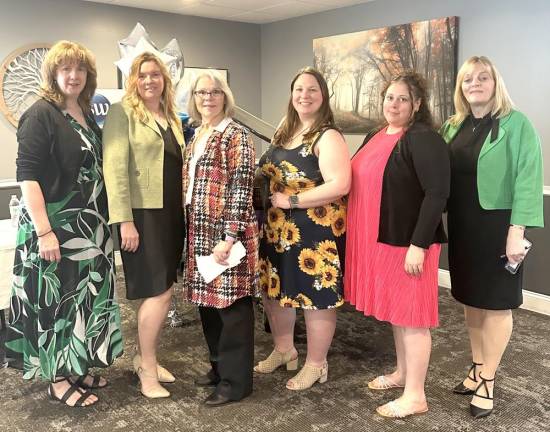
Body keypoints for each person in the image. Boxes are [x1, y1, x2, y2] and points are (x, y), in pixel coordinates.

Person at [5, 40, 123, 407]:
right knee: (58, 301)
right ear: (53, 73)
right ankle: (58, 379)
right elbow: (28, 177)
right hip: (56, 227)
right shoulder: (40, 114)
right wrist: (43, 231)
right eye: (65, 69)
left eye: (80, 69)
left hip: (90, 227)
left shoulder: (85, 113)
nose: (73, 76)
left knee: (85, 300)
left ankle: (77, 364)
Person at [440, 56, 544, 418]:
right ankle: (476, 364)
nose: (475, 83)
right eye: (468, 79)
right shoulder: (453, 126)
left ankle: (488, 380)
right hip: (464, 226)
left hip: (499, 227)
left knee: (497, 302)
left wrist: (518, 232)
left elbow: (528, 180)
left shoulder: (517, 124)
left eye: (483, 77)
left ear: (495, 83)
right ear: (461, 87)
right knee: (471, 300)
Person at [344, 71, 450, 418]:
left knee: (413, 316)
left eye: (403, 98)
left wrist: (418, 244)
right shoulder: (377, 134)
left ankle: (416, 395)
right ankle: (403, 374)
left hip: (408, 242)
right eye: (390, 97)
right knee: (397, 314)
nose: (394, 104)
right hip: (380, 240)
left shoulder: (423, 138)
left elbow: (437, 195)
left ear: (417, 104)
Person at [255, 67, 351, 391]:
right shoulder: (286, 130)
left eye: (312, 90)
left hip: (315, 230)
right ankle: (284, 350)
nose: (304, 95)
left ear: (323, 96)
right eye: (299, 89)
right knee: (276, 291)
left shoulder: (328, 136)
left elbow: (340, 184)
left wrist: (293, 200)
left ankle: (315, 363)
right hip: (279, 227)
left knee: (315, 298)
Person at [103, 52, 185, 399]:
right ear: (132, 80)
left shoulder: (169, 116)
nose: (149, 80)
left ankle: (144, 356)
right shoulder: (122, 113)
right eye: (142, 75)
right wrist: (125, 221)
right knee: (159, 292)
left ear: (164, 79)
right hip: (142, 216)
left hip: (171, 214)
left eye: (155, 74)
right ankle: (146, 368)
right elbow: (115, 169)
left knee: (159, 289)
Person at [183, 71, 258, 407]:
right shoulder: (199, 134)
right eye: (202, 93)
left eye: (215, 92)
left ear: (225, 96)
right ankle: (218, 369)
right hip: (199, 234)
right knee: (209, 308)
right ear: (194, 99)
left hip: (228, 237)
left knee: (232, 308)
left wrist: (228, 237)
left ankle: (236, 382)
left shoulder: (236, 135)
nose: (208, 98)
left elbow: (241, 189)